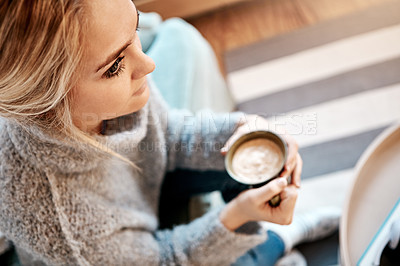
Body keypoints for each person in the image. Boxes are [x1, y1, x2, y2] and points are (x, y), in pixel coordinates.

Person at [0, 0, 338, 265]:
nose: (148, 63)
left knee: (257, 158)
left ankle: (259, 236)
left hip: (144, 190)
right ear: (46, 104)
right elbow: (165, 260)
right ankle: (281, 240)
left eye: (134, 28)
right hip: (131, 256)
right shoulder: (65, 227)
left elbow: (168, 134)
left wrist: (246, 132)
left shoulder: (116, 92)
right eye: (116, 65)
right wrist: (235, 217)